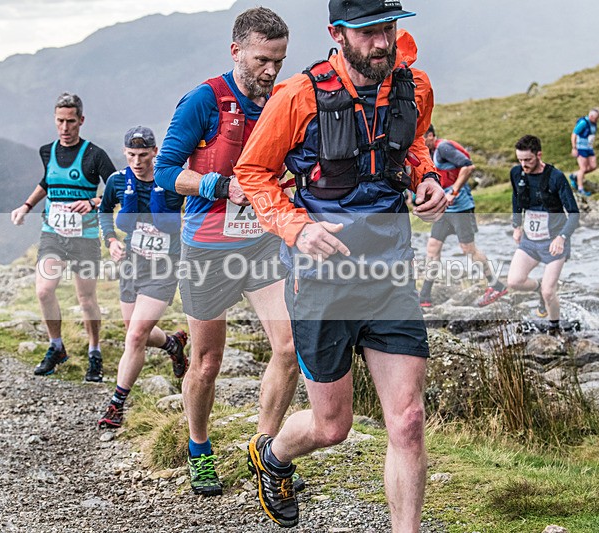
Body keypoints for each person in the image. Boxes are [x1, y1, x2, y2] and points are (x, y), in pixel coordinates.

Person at [234, 0, 448, 529]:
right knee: (333, 428)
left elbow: (415, 144)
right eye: (369, 31)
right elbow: (254, 173)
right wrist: (297, 228)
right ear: (337, 33)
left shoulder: (414, 87)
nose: (382, 43)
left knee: (409, 420)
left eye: (390, 29)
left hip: (389, 274)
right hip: (321, 283)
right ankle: (274, 454)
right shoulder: (298, 96)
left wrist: (425, 179)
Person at [154, 7, 300, 499]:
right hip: (208, 249)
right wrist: (220, 185)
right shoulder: (204, 100)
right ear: (235, 51)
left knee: (290, 348)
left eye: (279, 60)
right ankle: (199, 449)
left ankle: (265, 448)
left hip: (261, 245)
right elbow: (164, 171)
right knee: (208, 362)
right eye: (262, 59)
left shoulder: (282, 99)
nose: (271, 70)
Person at [10, 92, 116, 381]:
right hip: (53, 233)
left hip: (85, 236)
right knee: (44, 290)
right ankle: (56, 346)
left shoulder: (95, 155)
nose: (65, 127)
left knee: (86, 299)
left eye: (71, 121)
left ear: (81, 121)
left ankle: (94, 352)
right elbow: (47, 181)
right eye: (60, 121)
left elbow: (117, 187)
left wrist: (93, 202)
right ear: (54, 120)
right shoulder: (48, 151)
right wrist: (26, 205)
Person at [96, 126, 188, 429]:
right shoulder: (118, 181)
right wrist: (111, 240)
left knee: (135, 336)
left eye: (144, 155)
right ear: (125, 153)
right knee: (135, 333)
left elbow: (195, 212)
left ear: (155, 152)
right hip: (132, 267)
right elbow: (105, 209)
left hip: (163, 269)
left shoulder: (172, 181)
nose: (138, 161)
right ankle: (173, 344)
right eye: (132, 155)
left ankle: (116, 406)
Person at [420, 125, 508, 308]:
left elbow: (468, 167)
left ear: (430, 135)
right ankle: (424, 297)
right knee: (432, 248)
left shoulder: (443, 148)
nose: (419, 141)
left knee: (468, 249)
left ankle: (497, 285)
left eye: (421, 136)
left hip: (461, 208)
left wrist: (454, 191)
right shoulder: (429, 153)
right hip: (444, 210)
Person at [507, 135, 580, 334]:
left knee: (549, 291)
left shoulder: (556, 177)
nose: (523, 164)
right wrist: (517, 225)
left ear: (539, 155)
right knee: (514, 281)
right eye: (520, 160)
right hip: (530, 241)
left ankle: (554, 327)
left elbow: (574, 214)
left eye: (528, 160)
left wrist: (562, 237)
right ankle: (537, 288)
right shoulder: (516, 174)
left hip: (554, 242)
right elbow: (516, 199)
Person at [569, 108, 599, 197]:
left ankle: (574, 175)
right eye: (596, 118)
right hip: (581, 147)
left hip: (589, 148)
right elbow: (574, 134)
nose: (597, 120)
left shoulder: (594, 124)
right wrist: (574, 148)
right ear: (591, 116)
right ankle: (580, 189)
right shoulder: (583, 123)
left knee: (593, 166)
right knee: (583, 168)